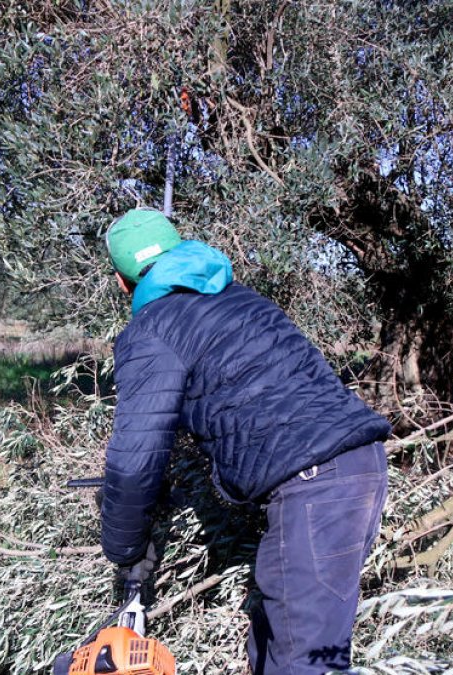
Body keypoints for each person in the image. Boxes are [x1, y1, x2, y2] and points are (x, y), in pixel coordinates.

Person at [99, 208, 392, 675]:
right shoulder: (242, 299)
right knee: (273, 641)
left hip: (317, 484)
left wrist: (126, 550)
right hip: (356, 466)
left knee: (305, 665)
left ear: (121, 280)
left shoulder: (151, 330)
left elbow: (134, 462)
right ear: (179, 249)